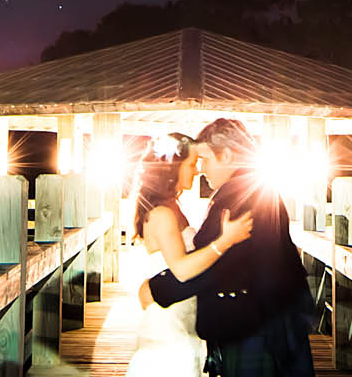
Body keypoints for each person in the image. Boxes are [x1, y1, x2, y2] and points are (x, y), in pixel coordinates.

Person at [143, 119, 314, 377]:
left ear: (228, 155)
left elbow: (218, 262)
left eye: (205, 159)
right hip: (271, 318)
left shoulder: (239, 197)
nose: (201, 168)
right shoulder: (252, 190)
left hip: (256, 326)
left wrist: (158, 289)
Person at [125, 133, 254, 377]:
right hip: (168, 319)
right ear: (172, 166)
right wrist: (225, 241)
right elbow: (181, 270)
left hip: (184, 314)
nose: (197, 172)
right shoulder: (162, 214)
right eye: (192, 164)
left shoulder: (173, 207)